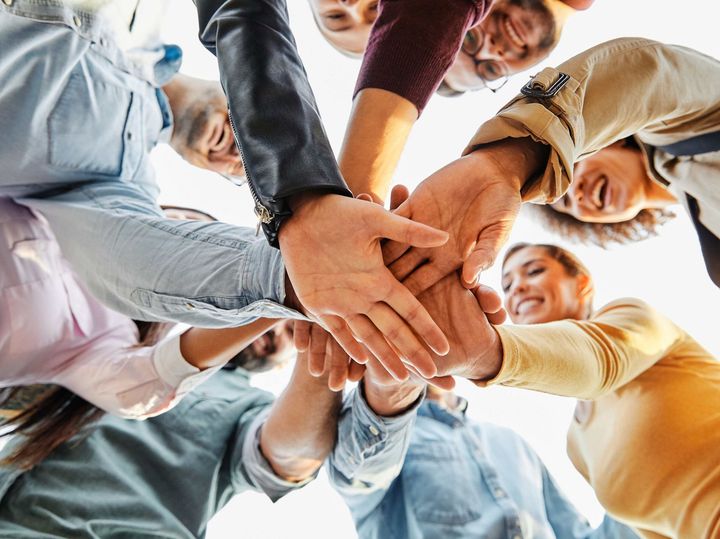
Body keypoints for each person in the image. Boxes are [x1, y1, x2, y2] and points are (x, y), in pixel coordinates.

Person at [0, 0, 451, 386]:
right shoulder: (151, 26)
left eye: (239, 175)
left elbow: (121, 255)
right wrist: (301, 186)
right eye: (254, 155)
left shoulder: (109, 180)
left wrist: (292, 275)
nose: (239, 158)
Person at [396, 240, 720, 537]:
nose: (518, 287)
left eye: (534, 271)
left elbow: (595, 361)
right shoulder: (577, 443)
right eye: (507, 285)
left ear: (582, 284)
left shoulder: (635, 317)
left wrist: (485, 349)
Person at [388, 38, 720, 299]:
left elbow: (652, 75)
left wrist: (510, 160)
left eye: (569, 175)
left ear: (610, 140)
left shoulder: (692, 123)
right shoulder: (713, 249)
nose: (577, 195)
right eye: (569, 204)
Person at [0, 196, 296, 468]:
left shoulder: (103, 341)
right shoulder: (62, 202)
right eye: (181, 226)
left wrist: (282, 295)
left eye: (196, 258)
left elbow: (146, 387)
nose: (173, 239)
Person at [0, 348, 342, 537]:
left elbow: (288, 457)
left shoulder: (247, 402)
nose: (278, 329)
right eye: (277, 314)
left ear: (282, 362)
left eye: (289, 328)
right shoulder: (126, 331)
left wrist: (323, 353)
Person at [327, 357, 638, 538]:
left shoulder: (509, 441)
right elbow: (358, 471)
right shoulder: (382, 442)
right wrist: (390, 390)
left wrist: (641, 469)